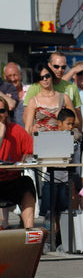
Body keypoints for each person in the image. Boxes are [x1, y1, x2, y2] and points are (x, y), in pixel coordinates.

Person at [39, 108, 78, 244]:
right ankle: (48, 239)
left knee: (62, 209)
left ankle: (61, 239)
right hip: (50, 180)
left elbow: (74, 161)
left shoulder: (74, 140)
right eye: (68, 124)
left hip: (64, 180)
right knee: (49, 212)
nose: (70, 127)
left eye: (72, 124)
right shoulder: (49, 138)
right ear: (59, 123)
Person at [0, 97, 35, 230]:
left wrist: (27, 156)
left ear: (7, 113)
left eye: (1, 110)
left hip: (12, 180)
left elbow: (31, 151)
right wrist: (1, 134)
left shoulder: (17, 130)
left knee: (27, 183)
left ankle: (29, 231)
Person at [23, 52, 82, 129]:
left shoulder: (70, 88)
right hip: (41, 136)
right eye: (56, 66)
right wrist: (33, 129)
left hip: (62, 137)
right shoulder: (35, 87)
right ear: (49, 65)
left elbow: (78, 117)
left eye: (63, 67)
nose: (60, 70)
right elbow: (26, 116)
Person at [24, 65, 76, 135]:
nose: (45, 79)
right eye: (41, 78)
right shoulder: (33, 101)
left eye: (47, 76)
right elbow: (28, 128)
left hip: (61, 139)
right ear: (37, 81)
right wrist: (33, 130)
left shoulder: (64, 98)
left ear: (52, 76)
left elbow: (76, 122)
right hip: (41, 140)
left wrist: (62, 117)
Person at [3, 62, 29, 127]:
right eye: (9, 76)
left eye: (15, 75)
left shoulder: (30, 91)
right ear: (4, 77)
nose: (13, 79)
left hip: (29, 134)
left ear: (21, 74)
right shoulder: (3, 95)